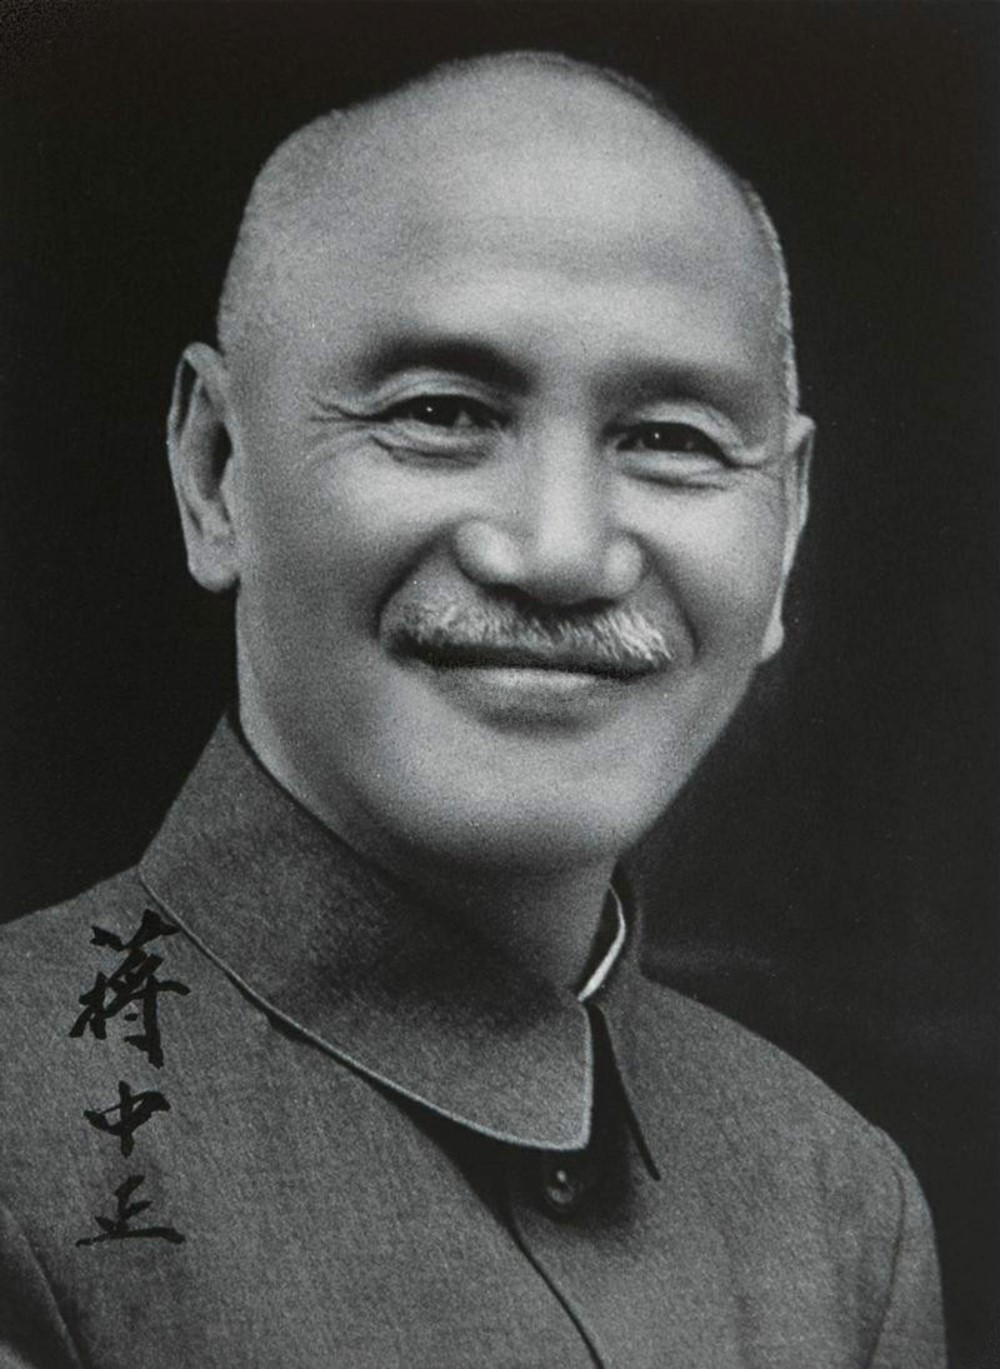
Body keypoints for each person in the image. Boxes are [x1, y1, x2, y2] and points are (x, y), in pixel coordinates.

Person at [0, 51, 945, 1368]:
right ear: (216, 471)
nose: (560, 553)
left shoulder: (839, 1204)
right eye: (440, 413)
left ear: (783, 532)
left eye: (671, 439)